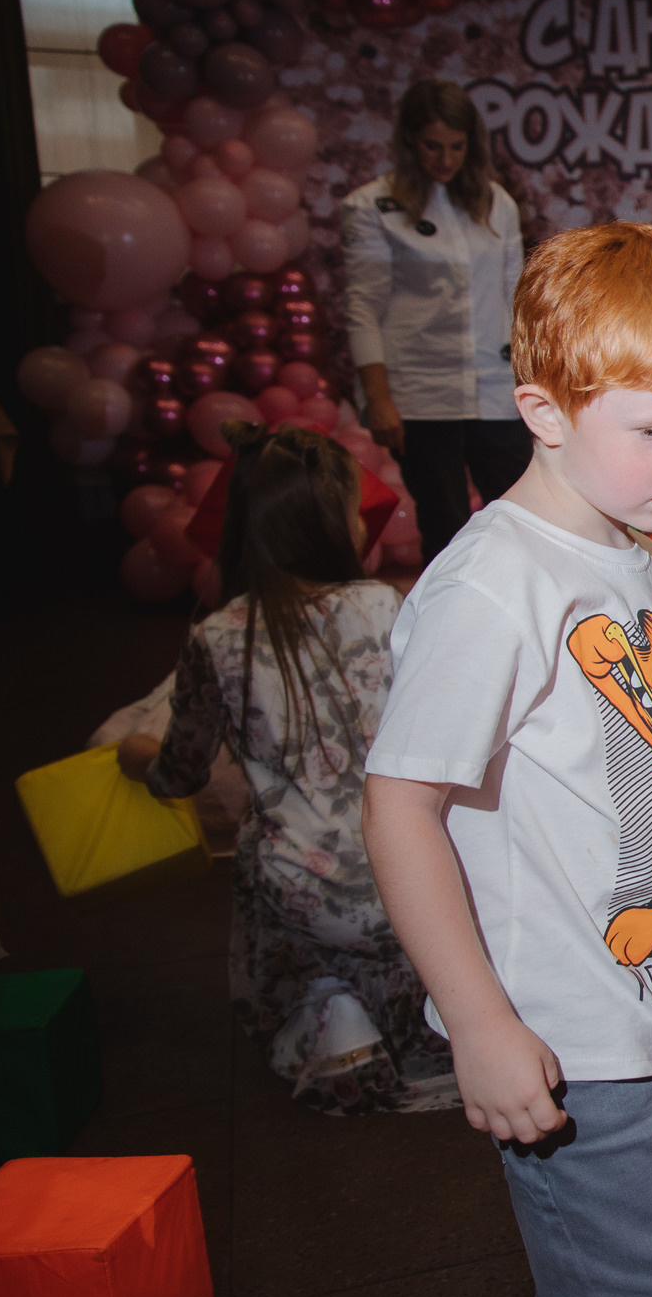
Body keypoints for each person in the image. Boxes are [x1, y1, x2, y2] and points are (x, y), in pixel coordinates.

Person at [362, 222, 652, 1297]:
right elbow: (400, 809)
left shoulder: (633, 563)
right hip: (571, 1038)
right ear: (540, 409)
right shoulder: (489, 589)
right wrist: (476, 1023)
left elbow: (638, 790)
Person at [118, 424, 453, 1115]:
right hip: (422, 879)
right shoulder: (385, 605)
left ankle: (328, 1014)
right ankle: (421, 1016)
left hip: (311, 893)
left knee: (259, 847)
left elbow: (179, 773)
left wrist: (136, 754)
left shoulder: (217, 636)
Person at [342, 79, 528, 560]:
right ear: (409, 141)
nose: (445, 159)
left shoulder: (496, 203)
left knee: (522, 516)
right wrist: (378, 398)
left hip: (494, 384)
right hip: (420, 390)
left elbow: (515, 296)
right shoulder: (372, 206)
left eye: (456, 147)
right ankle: (448, 630)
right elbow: (363, 306)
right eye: (432, 146)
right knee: (443, 525)